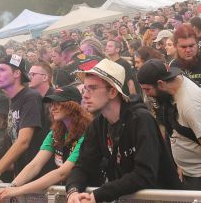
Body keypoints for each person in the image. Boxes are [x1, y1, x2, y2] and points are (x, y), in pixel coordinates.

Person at [65, 59, 181, 203]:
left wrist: (97, 196)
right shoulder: (97, 124)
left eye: (92, 88)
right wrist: (73, 191)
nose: (85, 95)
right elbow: (83, 165)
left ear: (113, 92)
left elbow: (145, 174)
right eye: (85, 89)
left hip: (161, 198)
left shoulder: (141, 120)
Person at [137, 59, 201, 191]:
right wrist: (181, 166)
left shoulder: (191, 103)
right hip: (190, 173)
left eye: (147, 89)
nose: (147, 94)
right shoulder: (173, 87)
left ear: (161, 83)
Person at [0, 54, 52, 192]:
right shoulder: (12, 100)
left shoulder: (30, 97)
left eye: (2, 70)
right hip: (23, 178)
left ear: (16, 73)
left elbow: (23, 141)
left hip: (38, 180)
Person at [0, 86, 92, 201]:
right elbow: (35, 165)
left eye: (59, 103)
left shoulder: (87, 133)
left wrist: (18, 190)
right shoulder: (55, 133)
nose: (53, 108)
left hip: (87, 196)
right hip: (68, 195)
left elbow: (62, 173)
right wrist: (12, 186)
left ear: (73, 105)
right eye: (52, 104)